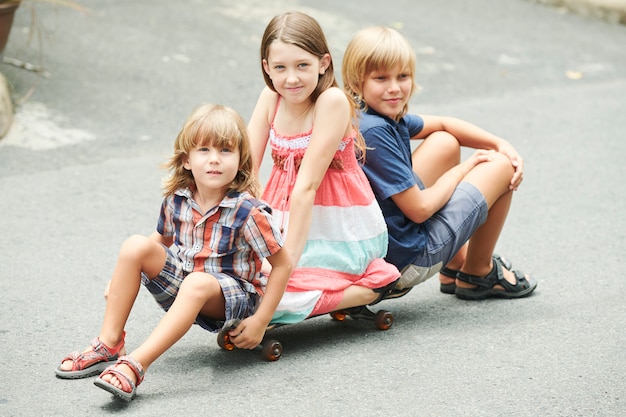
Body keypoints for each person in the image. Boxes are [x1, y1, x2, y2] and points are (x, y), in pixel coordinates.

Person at [55, 104, 292, 401]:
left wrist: (260, 321)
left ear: (241, 159)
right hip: (188, 283)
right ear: (187, 160)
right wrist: (121, 279)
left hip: (234, 299)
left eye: (225, 150)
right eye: (204, 150)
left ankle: (135, 365)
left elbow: (282, 265)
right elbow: (157, 244)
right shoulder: (177, 201)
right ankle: (109, 343)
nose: (214, 159)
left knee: (196, 282)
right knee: (135, 245)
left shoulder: (248, 212)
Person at [341, 26, 537, 300]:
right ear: (355, 81)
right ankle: (478, 272)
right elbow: (419, 210)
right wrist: (464, 169)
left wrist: (499, 142)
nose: (394, 88)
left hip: (387, 242)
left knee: (444, 141)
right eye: (381, 78)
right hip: (406, 259)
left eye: (403, 76)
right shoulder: (375, 132)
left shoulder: (366, 116)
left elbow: (444, 124)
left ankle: (455, 265)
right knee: (502, 166)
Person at [247, 11, 400, 323]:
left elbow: (306, 188)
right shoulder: (270, 98)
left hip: (335, 222)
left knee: (276, 294)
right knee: (248, 282)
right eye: (280, 67)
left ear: (323, 63)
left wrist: (284, 262)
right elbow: (246, 170)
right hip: (283, 214)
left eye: (302, 65)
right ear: (267, 68)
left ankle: (367, 289)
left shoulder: (330, 101)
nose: (291, 78)